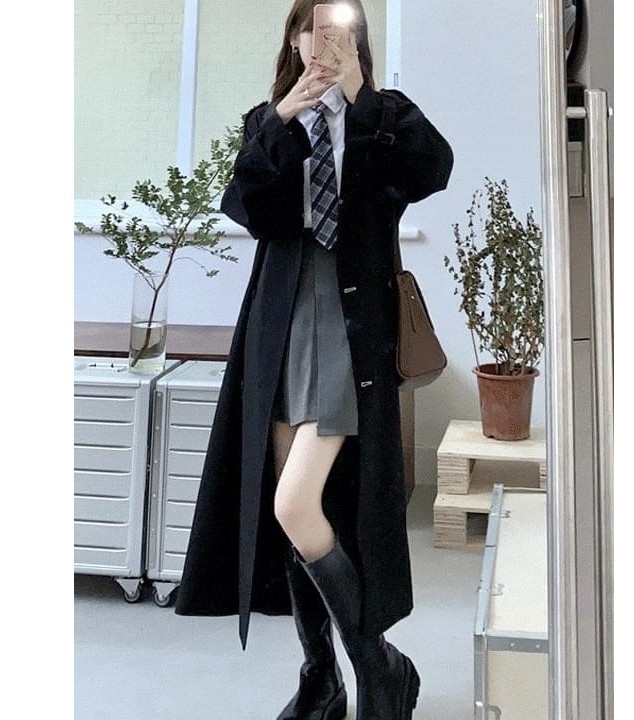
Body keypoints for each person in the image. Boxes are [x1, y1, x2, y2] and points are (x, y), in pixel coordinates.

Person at [174, 2, 454, 719]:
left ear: (357, 40)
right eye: (311, 28)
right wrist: (281, 122)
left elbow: (434, 169)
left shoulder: (385, 116)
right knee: (296, 514)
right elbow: (246, 207)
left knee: (295, 504)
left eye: (339, 28)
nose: (323, 39)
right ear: (295, 40)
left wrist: (362, 99)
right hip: (280, 326)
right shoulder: (269, 121)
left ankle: (378, 665)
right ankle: (321, 677)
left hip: (348, 330)